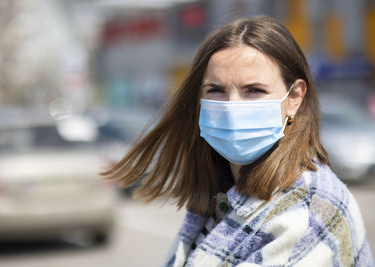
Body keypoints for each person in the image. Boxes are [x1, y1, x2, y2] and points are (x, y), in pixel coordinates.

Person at [103, 16, 374, 266]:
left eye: (253, 90)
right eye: (216, 90)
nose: (232, 107)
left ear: (295, 98)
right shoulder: (220, 195)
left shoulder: (308, 212)